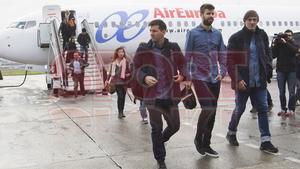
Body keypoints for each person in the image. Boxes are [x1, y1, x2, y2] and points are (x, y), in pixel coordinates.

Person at [132, 19, 186, 169]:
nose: (152, 34)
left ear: (163, 31)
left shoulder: (173, 48)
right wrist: (144, 77)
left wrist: (183, 76)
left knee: (175, 126)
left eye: (154, 31)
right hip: (152, 97)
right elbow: (135, 68)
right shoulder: (143, 48)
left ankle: (160, 142)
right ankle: (160, 159)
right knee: (156, 128)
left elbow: (183, 64)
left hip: (170, 96)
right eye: (150, 31)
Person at [226, 10, 278, 154]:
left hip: (259, 81)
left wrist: (267, 68)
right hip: (243, 82)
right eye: (250, 19)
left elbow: (268, 53)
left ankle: (266, 141)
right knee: (240, 109)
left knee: (262, 109)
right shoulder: (236, 38)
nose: (252, 22)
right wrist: (237, 79)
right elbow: (229, 61)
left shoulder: (262, 35)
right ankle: (231, 132)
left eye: (255, 19)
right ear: (244, 20)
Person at [184, 3, 226, 158]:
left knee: (212, 112)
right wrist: (188, 78)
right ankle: (198, 138)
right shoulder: (193, 33)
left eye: (213, 14)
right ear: (201, 14)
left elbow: (222, 53)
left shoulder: (217, 34)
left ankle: (206, 144)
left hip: (215, 77)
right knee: (207, 108)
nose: (211, 16)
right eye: (208, 13)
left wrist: (223, 70)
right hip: (199, 77)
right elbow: (187, 57)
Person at [271, 29, 299, 117]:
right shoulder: (280, 45)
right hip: (281, 71)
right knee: (281, 92)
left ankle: (291, 109)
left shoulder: (294, 44)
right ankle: (283, 108)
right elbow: (273, 54)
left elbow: (294, 51)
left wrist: (286, 43)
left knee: (291, 92)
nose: (288, 37)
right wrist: (274, 44)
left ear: (292, 36)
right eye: (286, 35)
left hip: (291, 71)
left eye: (289, 36)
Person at [106, 47, 131, 119]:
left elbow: (129, 71)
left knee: (123, 98)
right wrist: (107, 80)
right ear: (117, 53)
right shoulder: (113, 62)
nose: (121, 53)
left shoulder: (126, 61)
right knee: (120, 97)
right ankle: (120, 112)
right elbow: (109, 72)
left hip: (124, 82)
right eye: (120, 52)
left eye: (122, 52)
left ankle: (122, 111)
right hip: (116, 82)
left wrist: (128, 74)